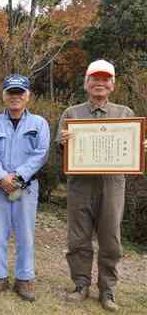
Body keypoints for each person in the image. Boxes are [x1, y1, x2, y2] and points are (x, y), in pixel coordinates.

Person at [56, 60, 137, 312]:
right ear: (86, 83)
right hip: (80, 186)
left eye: (105, 79)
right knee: (78, 238)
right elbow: (60, 146)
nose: (99, 83)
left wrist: (140, 150)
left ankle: (107, 289)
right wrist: (64, 141)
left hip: (112, 185)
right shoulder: (72, 113)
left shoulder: (125, 113)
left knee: (111, 239)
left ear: (112, 84)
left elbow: (133, 149)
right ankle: (81, 284)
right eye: (95, 78)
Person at [0, 74, 50, 302]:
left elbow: (41, 154)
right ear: (3, 95)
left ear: (28, 95)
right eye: (11, 92)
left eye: (20, 92)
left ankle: (25, 278)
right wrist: (1, 178)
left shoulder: (39, 123)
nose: (15, 97)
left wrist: (18, 177)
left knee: (26, 234)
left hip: (26, 188)